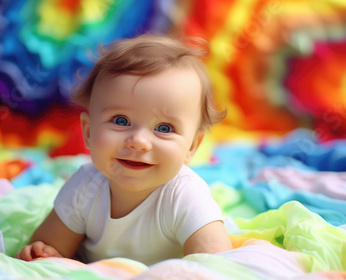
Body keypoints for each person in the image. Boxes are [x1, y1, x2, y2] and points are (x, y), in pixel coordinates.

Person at [15, 34, 232, 265]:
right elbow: (49, 248)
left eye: (164, 127)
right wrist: (43, 254)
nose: (138, 141)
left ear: (191, 147)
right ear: (88, 132)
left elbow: (215, 266)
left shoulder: (185, 196)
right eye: (120, 121)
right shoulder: (84, 187)